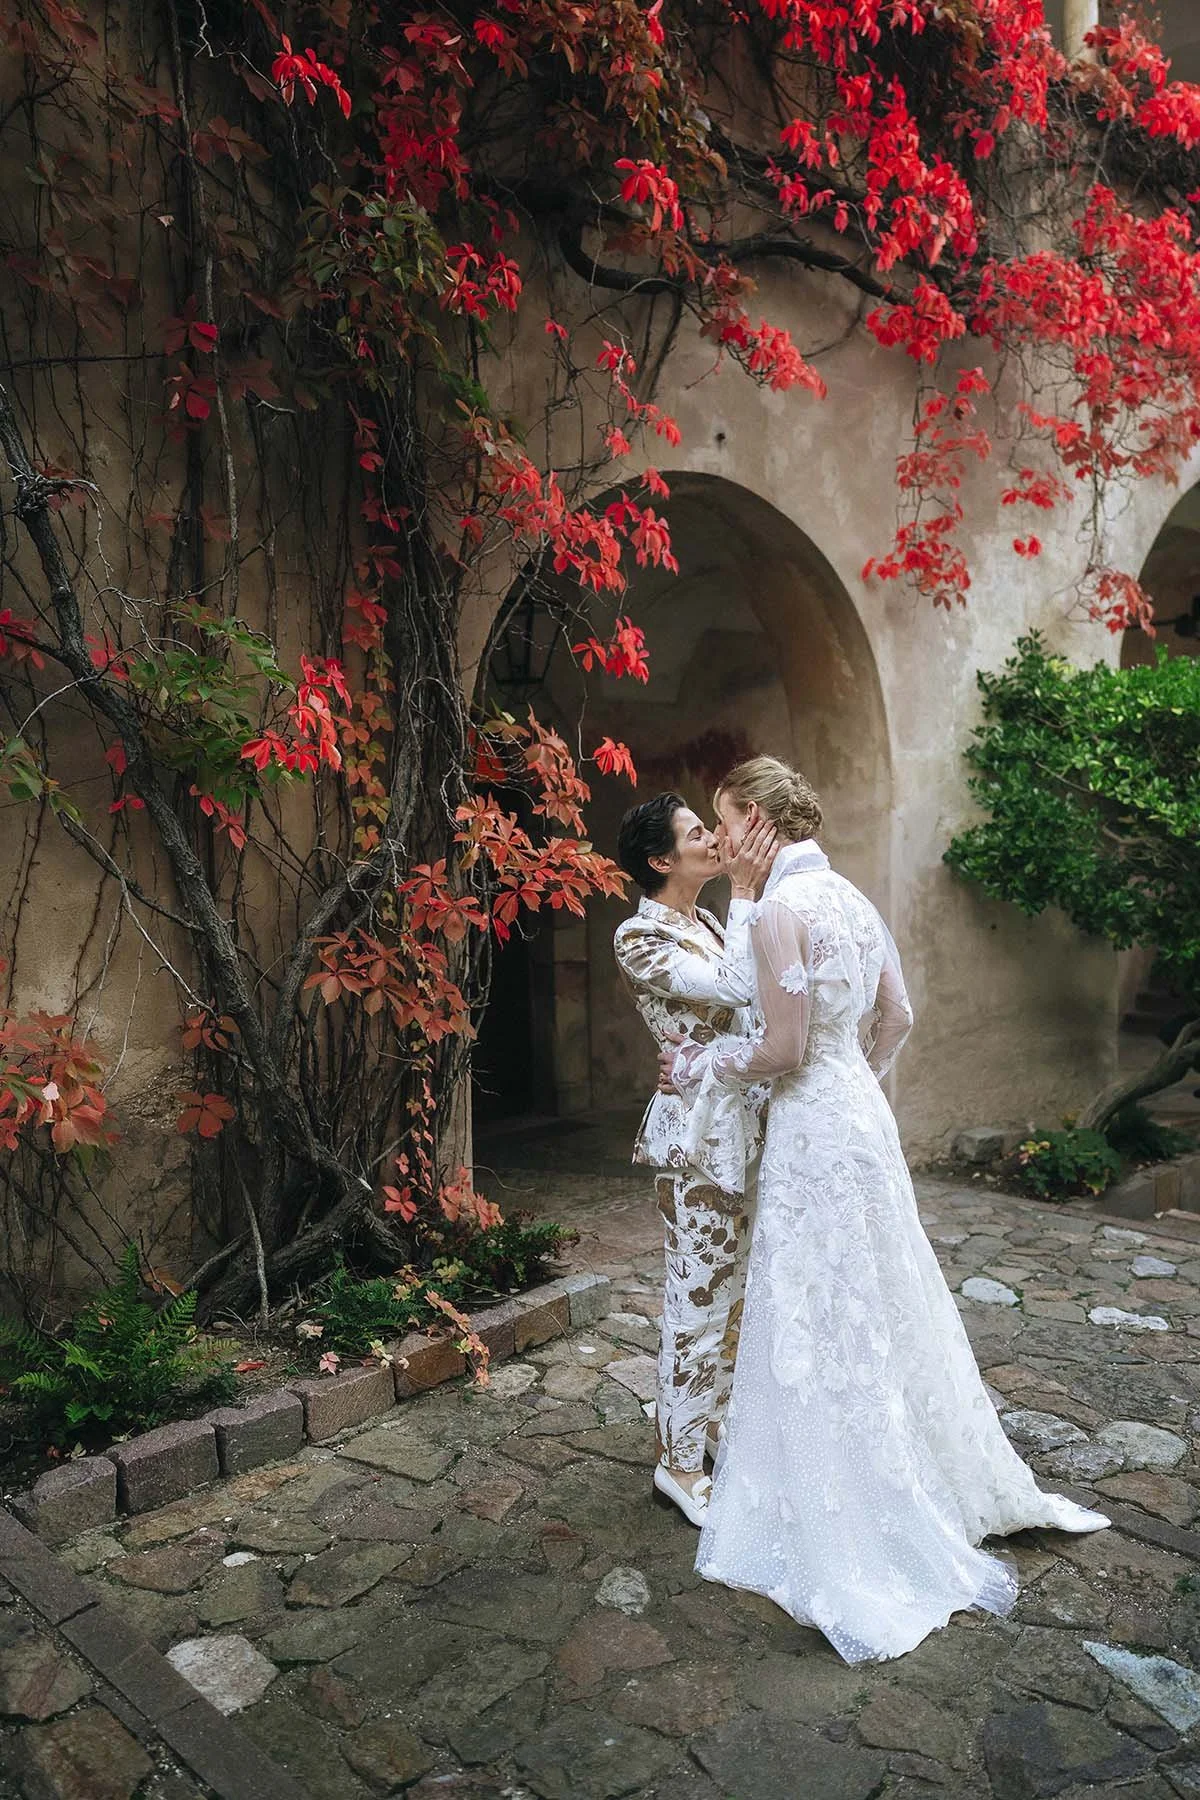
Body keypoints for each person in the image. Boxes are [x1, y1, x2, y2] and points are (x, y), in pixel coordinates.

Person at [660, 756, 1109, 1663]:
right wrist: (851, 1075)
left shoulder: (781, 910)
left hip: (812, 1129)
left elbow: (783, 1048)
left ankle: (845, 1499)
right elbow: (898, 1016)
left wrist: (705, 1064)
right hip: (859, 1118)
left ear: (758, 820)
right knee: (884, 1293)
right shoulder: (853, 901)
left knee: (817, 1303)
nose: (722, 837)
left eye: (726, 818)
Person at [613, 791, 778, 1527]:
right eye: (695, 833)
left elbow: (755, 1011)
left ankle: (709, 1432)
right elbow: (736, 988)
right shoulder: (639, 937)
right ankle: (676, 1466)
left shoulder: (710, 923)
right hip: (699, 1141)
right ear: (661, 860)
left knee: (736, 1298)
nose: (713, 838)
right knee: (698, 1299)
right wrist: (746, 890)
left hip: (746, 1122)